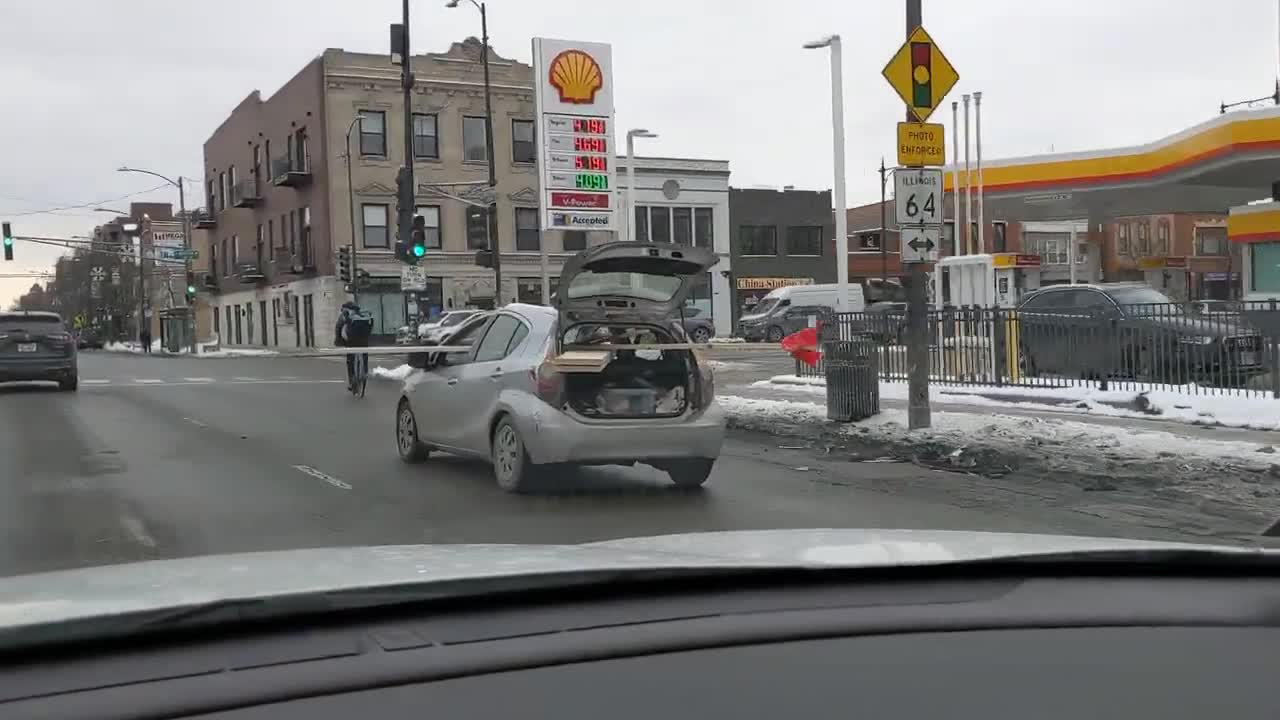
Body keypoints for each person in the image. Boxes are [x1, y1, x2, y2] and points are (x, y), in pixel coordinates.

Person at [334, 301, 374, 389]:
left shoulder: (345, 315)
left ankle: (352, 381)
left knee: (350, 360)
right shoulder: (362, 315)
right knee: (364, 356)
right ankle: (365, 373)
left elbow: (339, 328)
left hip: (351, 341)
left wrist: (338, 341)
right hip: (363, 341)